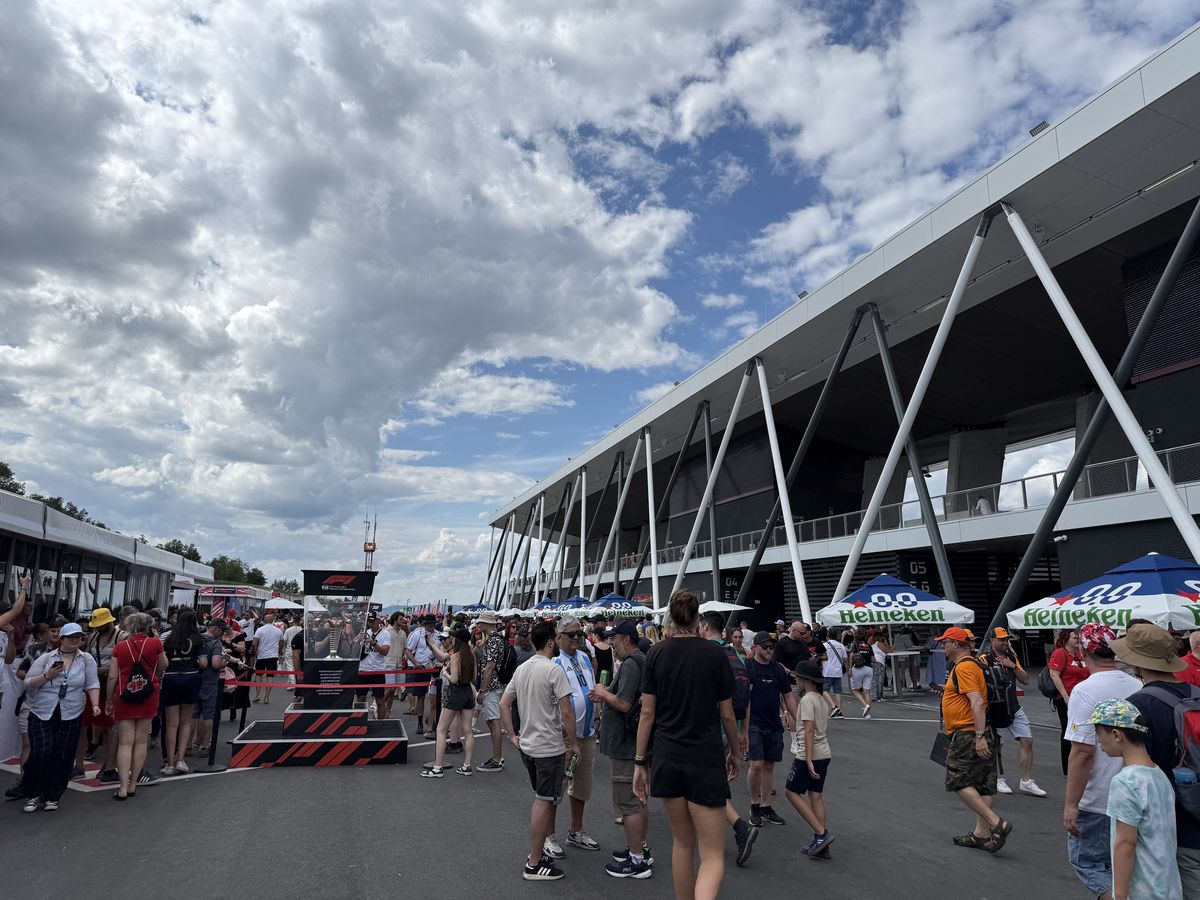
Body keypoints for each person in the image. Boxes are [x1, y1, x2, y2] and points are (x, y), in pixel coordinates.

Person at [633, 591, 741, 900]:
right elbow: (727, 713)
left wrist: (640, 761)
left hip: (667, 756)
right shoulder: (714, 654)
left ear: (670, 618)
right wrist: (735, 751)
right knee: (712, 855)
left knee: (682, 843)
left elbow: (647, 713)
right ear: (698, 620)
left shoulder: (656, 653)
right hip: (705, 757)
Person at [1115, 622, 1200, 895]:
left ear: (1137, 663)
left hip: (1170, 832)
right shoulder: (1196, 695)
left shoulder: (1136, 707)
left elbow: (1134, 777)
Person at [1062, 623, 1142, 898]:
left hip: (1099, 796)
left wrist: (1072, 803)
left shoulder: (1085, 690)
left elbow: (1083, 752)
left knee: (1090, 863)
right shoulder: (1137, 684)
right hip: (1134, 789)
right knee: (1126, 863)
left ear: (1084, 650)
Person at [499, 620, 578, 882]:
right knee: (544, 801)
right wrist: (574, 742)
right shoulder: (554, 670)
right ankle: (533, 861)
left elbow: (504, 703)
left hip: (529, 745)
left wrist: (512, 735)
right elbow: (567, 711)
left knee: (541, 798)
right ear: (551, 642)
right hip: (548, 747)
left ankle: (537, 855)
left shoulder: (523, 669)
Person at [1090, 698, 1184, 900]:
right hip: (1169, 888)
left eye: (1099, 734)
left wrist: (1119, 896)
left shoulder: (1126, 781)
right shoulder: (1159, 775)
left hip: (1143, 891)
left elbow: (1125, 843)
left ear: (1116, 734)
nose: (1098, 742)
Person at [935, 626, 1012, 853]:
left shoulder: (965, 666)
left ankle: (996, 823)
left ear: (956, 644)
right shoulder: (974, 664)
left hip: (969, 732)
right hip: (980, 730)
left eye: (946, 642)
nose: (943, 646)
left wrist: (978, 737)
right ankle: (981, 834)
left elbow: (977, 702)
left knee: (958, 780)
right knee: (982, 785)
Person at [589, 619, 652, 878]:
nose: (610, 642)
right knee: (636, 799)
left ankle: (637, 860)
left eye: (613, 638)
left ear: (626, 639)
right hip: (634, 742)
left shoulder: (630, 665)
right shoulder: (641, 661)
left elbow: (625, 704)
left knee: (629, 802)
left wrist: (603, 694)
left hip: (627, 745)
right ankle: (639, 848)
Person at [697, 612, 758, 866]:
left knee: (705, 786)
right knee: (714, 781)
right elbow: (746, 695)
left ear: (704, 626)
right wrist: (742, 733)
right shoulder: (736, 655)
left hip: (708, 728)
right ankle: (731, 829)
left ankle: (738, 827)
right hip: (729, 728)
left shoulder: (703, 654)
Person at [21, 623, 101, 811]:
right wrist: (47, 676)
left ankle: (53, 795)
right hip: (42, 710)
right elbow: (28, 683)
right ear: (62, 639)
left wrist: (95, 704)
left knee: (63, 754)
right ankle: (33, 793)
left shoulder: (86, 659)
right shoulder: (47, 658)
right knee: (41, 752)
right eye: (71, 637)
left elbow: (92, 682)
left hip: (70, 711)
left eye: (79, 637)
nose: (75, 640)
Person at [548, 616, 600, 855]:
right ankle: (548, 835)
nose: (577, 638)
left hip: (587, 733)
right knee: (555, 789)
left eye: (580, 634)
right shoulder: (554, 662)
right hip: (565, 736)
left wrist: (597, 713)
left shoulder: (584, 658)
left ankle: (575, 831)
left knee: (581, 787)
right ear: (558, 637)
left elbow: (590, 687)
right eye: (572, 635)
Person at [979, 627, 1046, 798]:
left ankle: (1027, 781)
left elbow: (1025, 680)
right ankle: (999, 778)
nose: (1004, 643)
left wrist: (1012, 666)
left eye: (1006, 640)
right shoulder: (984, 659)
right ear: (992, 640)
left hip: (1014, 708)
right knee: (997, 745)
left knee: (1028, 740)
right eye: (1001, 639)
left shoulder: (1011, 657)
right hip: (995, 709)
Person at [107, 613, 166, 799]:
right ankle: (133, 784)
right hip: (148, 692)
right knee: (141, 740)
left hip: (124, 693)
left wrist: (109, 699)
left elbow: (112, 677)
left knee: (125, 741)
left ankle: (122, 787)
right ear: (148, 626)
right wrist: (158, 643)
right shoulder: (155, 643)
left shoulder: (120, 647)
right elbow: (164, 665)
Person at [745, 631, 797, 827]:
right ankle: (754, 806)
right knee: (756, 764)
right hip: (754, 724)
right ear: (755, 647)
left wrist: (797, 719)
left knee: (769, 765)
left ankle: (766, 806)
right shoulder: (749, 667)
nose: (768, 650)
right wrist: (743, 728)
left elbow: (788, 696)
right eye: (765, 646)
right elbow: (745, 698)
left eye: (771, 647)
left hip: (773, 724)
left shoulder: (778, 670)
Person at [786, 659, 835, 858]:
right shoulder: (821, 699)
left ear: (804, 679)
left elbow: (808, 730)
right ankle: (820, 839)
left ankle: (822, 834)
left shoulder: (807, 700)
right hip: (824, 752)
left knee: (791, 792)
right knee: (815, 795)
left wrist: (806, 759)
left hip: (811, 754)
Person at [421, 627, 476, 778]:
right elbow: (474, 676)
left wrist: (445, 672)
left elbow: (454, 679)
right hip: (468, 694)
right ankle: (467, 765)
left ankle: (438, 767)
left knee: (441, 730)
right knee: (468, 730)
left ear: (457, 639)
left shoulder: (455, 656)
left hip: (455, 693)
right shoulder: (471, 655)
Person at [160, 608, 204, 776]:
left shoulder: (167, 637)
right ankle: (180, 759)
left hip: (170, 677)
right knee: (186, 721)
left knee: (171, 723)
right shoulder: (198, 639)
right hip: (191, 677)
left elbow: (163, 663)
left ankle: (169, 761)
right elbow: (203, 662)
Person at [81, 607, 119, 784]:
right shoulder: (93, 637)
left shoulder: (121, 636)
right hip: (93, 684)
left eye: (102, 624)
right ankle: (79, 765)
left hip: (110, 685)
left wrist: (106, 670)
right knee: (85, 723)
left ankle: (110, 765)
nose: (98, 628)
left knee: (109, 728)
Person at [1049, 629, 1089, 775]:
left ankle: (1080, 762)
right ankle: (1068, 767)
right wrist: (1066, 697)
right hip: (1066, 699)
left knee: (1081, 730)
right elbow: (1054, 675)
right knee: (1068, 730)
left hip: (1082, 698)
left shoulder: (1079, 654)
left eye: (1077, 637)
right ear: (1066, 639)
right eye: (1074, 637)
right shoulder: (1060, 653)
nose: (1077, 639)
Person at [475, 611, 509, 773]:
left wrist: (482, 689)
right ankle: (497, 757)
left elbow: (489, 667)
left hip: (492, 686)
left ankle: (497, 759)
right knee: (492, 721)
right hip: (496, 685)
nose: (479, 625)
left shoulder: (493, 641)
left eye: (481, 622)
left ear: (487, 624)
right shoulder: (497, 639)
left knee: (494, 721)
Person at [192, 618, 226, 757]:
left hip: (194, 679)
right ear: (216, 629)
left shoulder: (196, 639)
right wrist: (225, 662)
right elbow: (216, 664)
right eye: (222, 630)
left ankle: (188, 745)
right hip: (210, 681)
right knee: (208, 713)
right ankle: (205, 745)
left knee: (192, 714)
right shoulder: (215, 643)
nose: (222, 633)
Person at [404, 614, 439, 738]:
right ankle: (420, 723)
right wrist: (415, 662)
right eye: (428, 623)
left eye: (432, 623)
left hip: (434, 668)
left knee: (434, 698)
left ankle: (430, 720)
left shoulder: (438, 635)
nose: (430, 625)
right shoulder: (417, 634)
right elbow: (408, 650)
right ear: (424, 624)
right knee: (420, 696)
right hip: (421, 668)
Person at [356, 615, 391, 714]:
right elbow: (353, 649)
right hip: (363, 670)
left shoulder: (386, 634)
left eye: (372, 621)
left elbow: (385, 652)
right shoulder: (365, 632)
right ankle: (359, 724)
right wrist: (357, 641)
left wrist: (373, 643)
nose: (370, 623)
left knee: (380, 700)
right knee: (360, 699)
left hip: (377, 670)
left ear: (378, 621)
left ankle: (381, 724)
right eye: (369, 621)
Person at [252, 612, 284, 704]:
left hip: (262, 656)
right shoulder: (278, 631)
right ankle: (266, 698)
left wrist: (256, 653)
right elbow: (282, 643)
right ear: (272, 620)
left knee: (259, 675)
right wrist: (278, 650)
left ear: (264, 620)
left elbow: (254, 643)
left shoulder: (260, 630)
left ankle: (257, 695)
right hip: (273, 656)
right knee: (270, 676)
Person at [381, 612, 408, 718]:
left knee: (392, 690)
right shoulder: (387, 631)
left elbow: (405, 649)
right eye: (401, 619)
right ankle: (378, 705)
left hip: (398, 664)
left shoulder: (403, 633)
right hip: (388, 662)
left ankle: (387, 712)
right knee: (390, 688)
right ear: (395, 620)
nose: (403, 621)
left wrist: (403, 657)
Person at [818, 627, 848, 718]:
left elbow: (821, 657)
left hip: (827, 670)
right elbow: (845, 659)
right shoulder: (841, 645)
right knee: (837, 692)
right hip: (837, 671)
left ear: (827, 635)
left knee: (824, 690)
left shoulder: (825, 645)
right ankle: (839, 711)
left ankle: (834, 706)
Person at [847, 634, 873, 718]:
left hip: (858, 668)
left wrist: (850, 668)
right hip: (869, 668)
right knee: (867, 691)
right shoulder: (868, 645)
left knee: (855, 690)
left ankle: (865, 705)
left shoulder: (855, 644)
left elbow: (851, 655)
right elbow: (873, 659)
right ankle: (868, 713)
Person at [868, 631, 891, 704]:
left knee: (875, 679)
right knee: (879, 680)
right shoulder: (879, 644)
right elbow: (889, 651)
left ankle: (875, 695)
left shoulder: (873, 644)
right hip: (879, 662)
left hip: (875, 662)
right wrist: (887, 643)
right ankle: (878, 696)